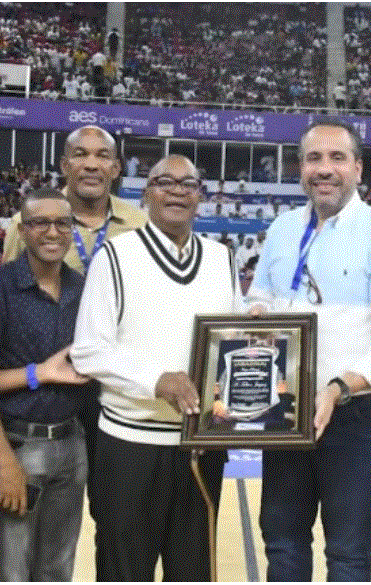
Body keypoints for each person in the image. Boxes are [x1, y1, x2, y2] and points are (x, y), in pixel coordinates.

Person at [246, 119, 371, 581]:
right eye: (313, 158)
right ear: (300, 168)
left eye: (337, 157)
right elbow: (259, 296)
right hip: (288, 410)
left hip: (358, 416)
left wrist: (338, 388)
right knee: (281, 540)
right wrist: (256, 318)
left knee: (347, 550)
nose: (324, 169)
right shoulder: (282, 229)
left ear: (359, 169)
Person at [70, 155, 240, 581]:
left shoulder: (223, 258)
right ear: (146, 193)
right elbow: (89, 351)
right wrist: (156, 380)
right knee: (124, 569)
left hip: (199, 447)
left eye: (189, 183)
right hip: (130, 444)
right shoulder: (116, 255)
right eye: (165, 181)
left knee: (193, 571)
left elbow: (233, 348)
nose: (177, 190)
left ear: (201, 196)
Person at [1, 124, 146, 542]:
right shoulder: (25, 223)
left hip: (113, 389)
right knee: (31, 523)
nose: (91, 164)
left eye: (102, 156)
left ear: (116, 168)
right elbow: (10, 299)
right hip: (47, 391)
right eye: (81, 154)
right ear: (64, 164)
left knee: (115, 514)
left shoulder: (138, 224)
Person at [0, 187, 97, 581]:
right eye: (41, 222)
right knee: (13, 571)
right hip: (17, 444)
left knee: (58, 569)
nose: (52, 232)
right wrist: (38, 373)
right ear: (22, 231)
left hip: (72, 446)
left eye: (62, 223)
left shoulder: (83, 289)